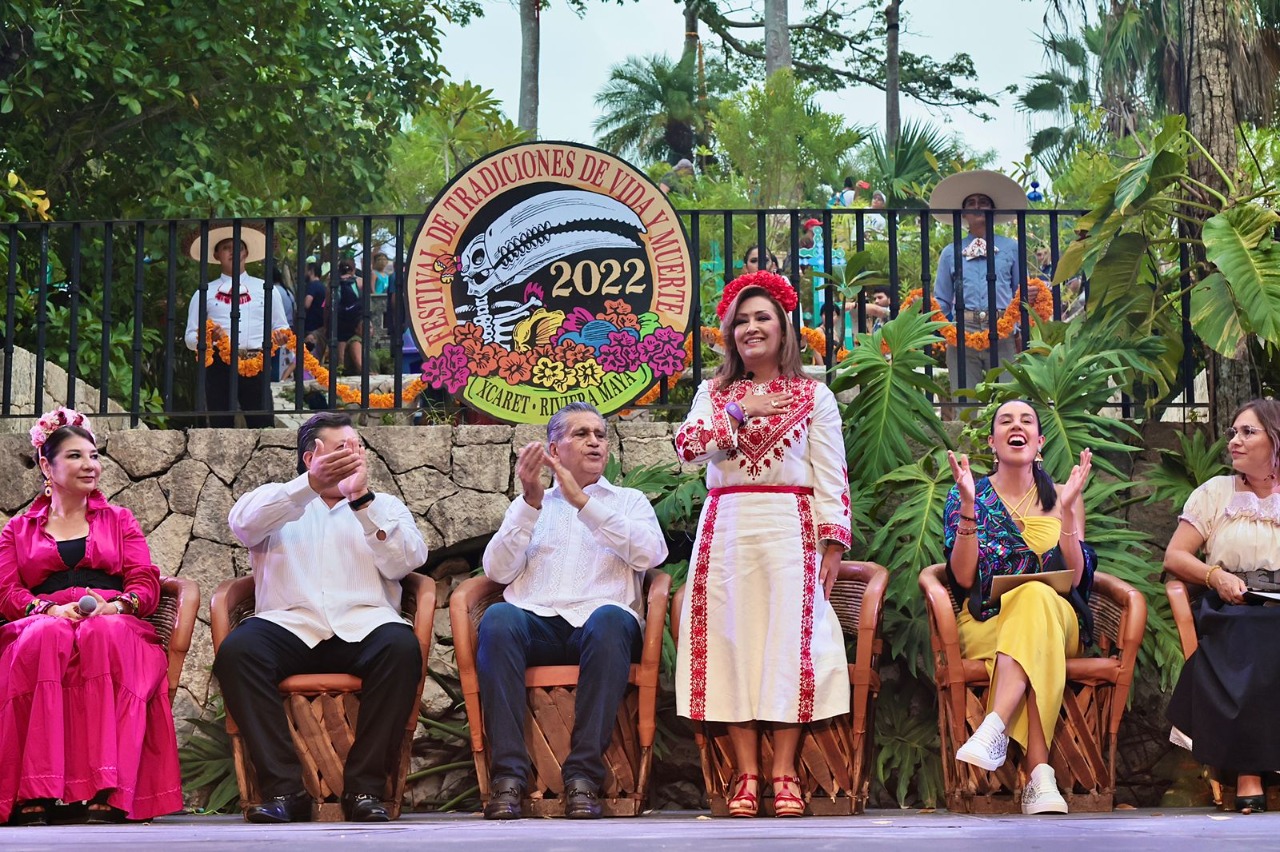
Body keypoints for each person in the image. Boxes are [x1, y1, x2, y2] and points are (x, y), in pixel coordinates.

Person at [674, 271, 853, 818]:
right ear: (730, 333)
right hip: (726, 526)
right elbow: (687, 448)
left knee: (789, 648)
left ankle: (784, 773)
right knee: (730, 644)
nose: (752, 328)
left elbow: (831, 474)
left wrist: (833, 544)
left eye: (763, 319)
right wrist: (737, 412)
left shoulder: (814, 395)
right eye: (742, 320)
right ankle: (747, 774)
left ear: (784, 330)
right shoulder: (713, 393)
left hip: (790, 526)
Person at [214, 411, 429, 823]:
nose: (356, 455)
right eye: (343, 448)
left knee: (402, 649)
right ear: (311, 456)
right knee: (238, 652)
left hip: (364, 624)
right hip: (289, 624)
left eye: (359, 448)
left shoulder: (385, 505)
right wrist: (309, 487)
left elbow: (407, 562)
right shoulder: (277, 498)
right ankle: (285, 792)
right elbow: (243, 526)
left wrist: (362, 504)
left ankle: (365, 791)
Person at [475, 402, 667, 820]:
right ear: (554, 450)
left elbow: (650, 553)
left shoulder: (628, 501)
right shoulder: (531, 503)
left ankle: (583, 777)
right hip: (537, 625)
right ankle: (508, 777)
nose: (595, 441)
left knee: (612, 618)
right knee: (499, 618)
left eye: (600, 434)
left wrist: (584, 503)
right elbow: (497, 571)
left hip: (601, 627)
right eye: (581, 434)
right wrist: (528, 504)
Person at [0, 407, 182, 825]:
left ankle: (109, 786)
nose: (90, 465)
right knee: (44, 637)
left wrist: (116, 605)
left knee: (104, 634)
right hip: (43, 617)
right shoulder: (18, 529)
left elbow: (144, 581)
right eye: (76, 456)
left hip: (111, 616)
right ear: (47, 465)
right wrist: (47, 608)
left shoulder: (120, 520)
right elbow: (8, 591)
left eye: (94, 455)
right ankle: (36, 789)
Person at [943, 400, 1094, 815]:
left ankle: (995, 725)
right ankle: (1040, 776)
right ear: (992, 442)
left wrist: (1066, 514)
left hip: (1058, 617)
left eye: (1026, 420)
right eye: (1006, 421)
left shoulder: (1064, 496)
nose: (1017, 426)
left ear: (1040, 442)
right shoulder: (969, 493)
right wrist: (970, 507)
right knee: (1029, 636)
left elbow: (1076, 578)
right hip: (988, 619)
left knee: (1035, 596)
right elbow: (962, 576)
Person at [1165, 398, 1280, 814]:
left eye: (1248, 432)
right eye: (1233, 432)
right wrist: (1215, 577)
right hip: (1233, 605)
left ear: (1276, 440)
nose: (1235, 441)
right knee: (1250, 633)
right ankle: (1248, 771)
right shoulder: (1215, 493)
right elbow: (1175, 557)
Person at [929, 171, 1027, 396]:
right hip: (963, 330)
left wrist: (1018, 329)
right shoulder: (950, 253)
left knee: (1009, 398)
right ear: (963, 213)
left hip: (1003, 329)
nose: (977, 206)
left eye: (983, 202)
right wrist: (942, 327)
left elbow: (1019, 292)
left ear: (992, 209)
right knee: (964, 400)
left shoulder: (1011, 248)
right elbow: (942, 298)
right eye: (971, 203)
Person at [183, 224, 290, 427]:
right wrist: (207, 338)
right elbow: (189, 337)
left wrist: (281, 338)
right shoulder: (204, 292)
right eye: (226, 247)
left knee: (263, 425)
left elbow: (281, 327)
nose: (233, 252)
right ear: (216, 255)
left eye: (237, 247)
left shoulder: (266, 289)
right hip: (218, 366)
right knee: (220, 426)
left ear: (246, 253)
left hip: (256, 362)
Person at [330, 259, 364, 376]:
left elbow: (328, 305)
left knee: (341, 342)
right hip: (356, 318)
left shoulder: (334, 283)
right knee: (357, 341)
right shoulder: (359, 282)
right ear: (353, 269)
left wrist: (326, 324)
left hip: (340, 319)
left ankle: (341, 369)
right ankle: (358, 367)